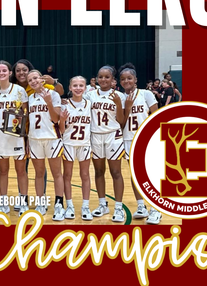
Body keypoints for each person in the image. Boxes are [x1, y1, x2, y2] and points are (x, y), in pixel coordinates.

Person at [118, 63, 163, 225]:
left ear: (135, 79)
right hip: (128, 140)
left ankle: (156, 209)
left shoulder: (146, 94)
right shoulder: (120, 98)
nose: (126, 81)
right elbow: (121, 123)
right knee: (135, 175)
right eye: (123, 79)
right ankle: (141, 206)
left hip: (145, 138)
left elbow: (155, 116)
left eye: (129, 78)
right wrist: (127, 108)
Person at [84, 65, 128, 222]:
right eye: (100, 76)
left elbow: (122, 121)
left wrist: (117, 104)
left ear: (113, 80)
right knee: (98, 171)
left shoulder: (119, 96)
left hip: (113, 135)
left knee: (116, 172)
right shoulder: (89, 96)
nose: (103, 79)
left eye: (107, 77)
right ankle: (102, 204)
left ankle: (118, 207)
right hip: (96, 135)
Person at [0, 60, 29, 215]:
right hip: (0, 137)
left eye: (4, 70)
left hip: (17, 137)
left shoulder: (19, 90)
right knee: (3, 171)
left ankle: (23, 201)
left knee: (21, 171)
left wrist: (18, 120)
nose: (1, 73)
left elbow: (25, 113)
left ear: (10, 73)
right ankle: (4, 202)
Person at [26, 70, 64, 217]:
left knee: (56, 173)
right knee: (39, 173)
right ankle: (41, 203)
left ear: (41, 79)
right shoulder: (30, 98)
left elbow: (56, 119)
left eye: (35, 78)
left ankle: (59, 204)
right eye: (30, 80)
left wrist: (48, 102)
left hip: (52, 138)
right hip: (35, 139)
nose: (33, 81)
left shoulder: (53, 94)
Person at [59, 76, 92, 220]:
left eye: (81, 85)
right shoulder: (64, 105)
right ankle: (69, 205)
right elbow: (61, 129)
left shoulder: (90, 104)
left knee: (85, 175)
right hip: (68, 144)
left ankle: (85, 206)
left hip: (84, 144)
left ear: (85, 88)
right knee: (67, 175)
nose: (78, 88)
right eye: (75, 85)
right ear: (70, 88)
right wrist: (62, 120)